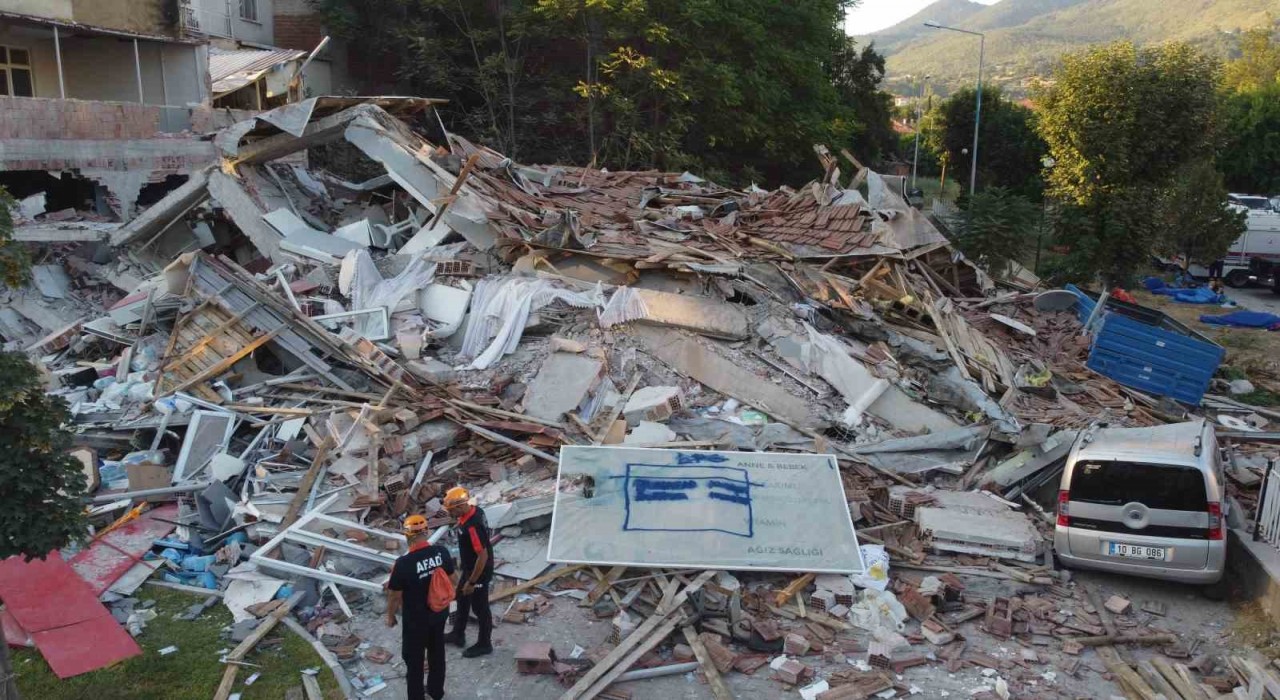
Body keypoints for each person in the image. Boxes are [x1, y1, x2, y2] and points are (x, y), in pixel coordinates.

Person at [386, 514, 454, 700]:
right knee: (437, 653)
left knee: (414, 660)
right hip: (439, 613)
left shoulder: (403, 564)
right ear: (427, 532)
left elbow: (394, 595)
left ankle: (416, 696)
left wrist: (390, 616)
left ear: (407, 536)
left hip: (416, 621)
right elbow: (451, 579)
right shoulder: (441, 552)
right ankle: (436, 691)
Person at [442, 486, 494, 657]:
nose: (450, 514)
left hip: (479, 571)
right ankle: (458, 634)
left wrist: (472, 582)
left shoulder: (472, 526)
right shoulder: (474, 511)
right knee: (461, 599)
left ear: (459, 507)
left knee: (480, 608)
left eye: (451, 510)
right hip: (470, 567)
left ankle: (484, 644)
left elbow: (482, 556)